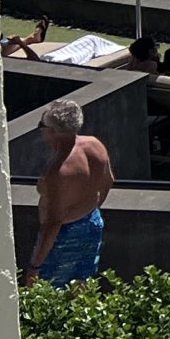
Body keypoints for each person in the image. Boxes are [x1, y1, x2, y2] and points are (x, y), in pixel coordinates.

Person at [25, 97, 112, 289]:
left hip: (64, 233)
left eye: (41, 125)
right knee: (82, 288)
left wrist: (34, 265)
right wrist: (90, 207)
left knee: (51, 294)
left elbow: (53, 222)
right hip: (92, 222)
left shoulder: (58, 170)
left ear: (51, 131)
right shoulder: (95, 145)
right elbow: (108, 181)